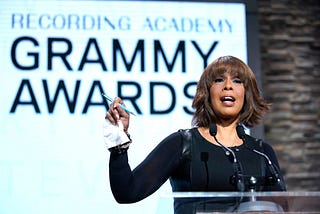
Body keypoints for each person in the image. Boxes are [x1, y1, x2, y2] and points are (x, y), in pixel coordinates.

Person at [104, 55, 286, 213]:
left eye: (237, 81)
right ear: (207, 93)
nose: (228, 86)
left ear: (247, 94)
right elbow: (127, 192)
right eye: (219, 80)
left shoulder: (262, 153)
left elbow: (282, 209)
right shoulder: (182, 144)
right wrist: (119, 144)